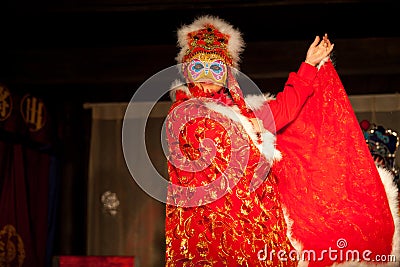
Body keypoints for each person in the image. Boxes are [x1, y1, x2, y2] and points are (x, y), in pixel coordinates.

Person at [164, 15, 334, 266]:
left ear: (227, 74)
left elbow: (284, 110)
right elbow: (209, 143)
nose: (208, 74)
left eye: (217, 67)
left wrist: (309, 65)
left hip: (258, 228)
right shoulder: (184, 113)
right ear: (188, 71)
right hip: (210, 229)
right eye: (199, 66)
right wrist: (248, 131)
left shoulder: (244, 113)